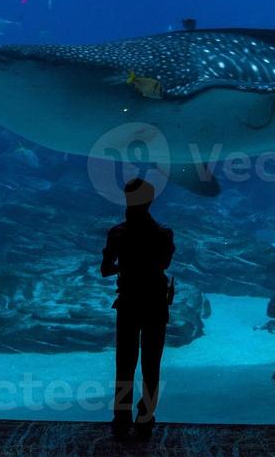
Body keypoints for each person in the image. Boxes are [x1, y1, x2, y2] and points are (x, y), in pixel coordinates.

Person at [101, 177, 175, 440]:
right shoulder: (164, 232)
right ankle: (146, 419)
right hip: (155, 302)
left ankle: (121, 419)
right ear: (151, 200)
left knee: (125, 363)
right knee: (151, 364)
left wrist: (126, 266)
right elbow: (164, 263)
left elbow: (105, 270)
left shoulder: (118, 233)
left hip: (129, 302)